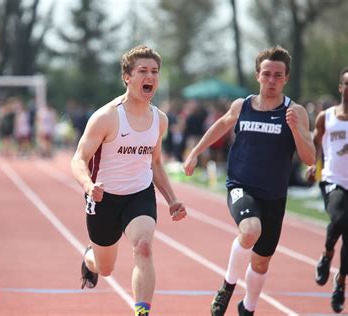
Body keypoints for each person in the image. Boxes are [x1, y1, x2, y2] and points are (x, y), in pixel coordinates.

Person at [184, 46, 315, 315]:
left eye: (277, 75)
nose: (271, 80)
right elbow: (220, 125)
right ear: (257, 75)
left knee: (261, 262)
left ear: (286, 78)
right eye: (266, 74)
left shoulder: (296, 112)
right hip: (241, 185)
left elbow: (310, 157)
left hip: (274, 195)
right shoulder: (242, 106)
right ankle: (227, 286)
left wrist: (294, 129)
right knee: (250, 230)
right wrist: (195, 153)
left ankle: (248, 308)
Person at [70, 45, 187, 316]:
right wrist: (89, 186)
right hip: (104, 198)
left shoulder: (160, 119)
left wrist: (172, 199)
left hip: (139, 194)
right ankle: (90, 259)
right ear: (127, 77)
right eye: (143, 71)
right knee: (105, 268)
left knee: (143, 247)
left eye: (155, 72)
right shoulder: (107, 117)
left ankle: (142, 312)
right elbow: (78, 158)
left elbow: (155, 162)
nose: (151, 77)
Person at [306, 67, 348, 313]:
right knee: (340, 217)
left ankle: (341, 282)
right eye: (347, 83)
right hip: (333, 180)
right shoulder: (326, 117)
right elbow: (315, 144)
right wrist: (312, 165)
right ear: (341, 87)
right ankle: (326, 253)